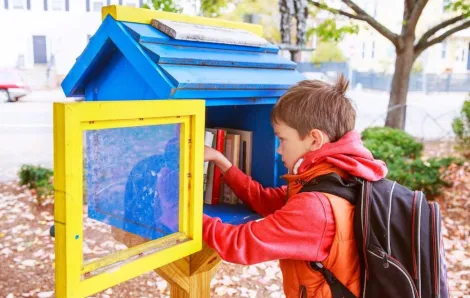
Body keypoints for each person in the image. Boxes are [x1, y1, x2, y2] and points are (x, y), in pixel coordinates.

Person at [202, 75, 388, 297]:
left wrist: (181, 212)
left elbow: (239, 243)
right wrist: (222, 162)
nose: (279, 150)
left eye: (283, 139)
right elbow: (266, 199)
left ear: (314, 140)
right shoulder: (338, 174)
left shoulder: (316, 207)